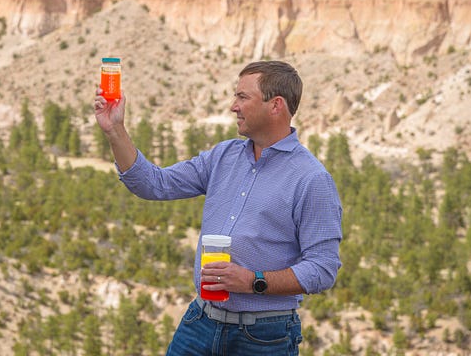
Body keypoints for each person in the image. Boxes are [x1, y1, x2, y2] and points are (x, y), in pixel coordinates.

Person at [94, 60, 343, 355]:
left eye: (242, 97)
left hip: (263, 337)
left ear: (276, 105)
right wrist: (115, 130)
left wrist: (253, 281)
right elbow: (153, 184)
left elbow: (322, 269)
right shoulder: (223, 156)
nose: (233, 106)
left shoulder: (312, 179)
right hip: (200, 322)